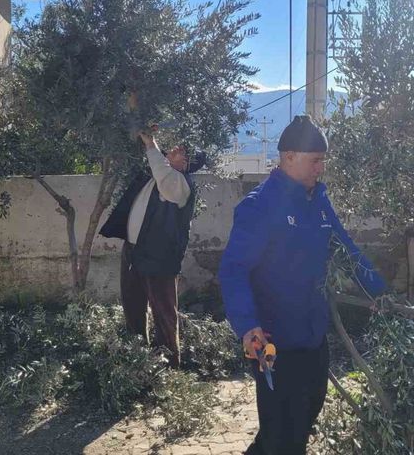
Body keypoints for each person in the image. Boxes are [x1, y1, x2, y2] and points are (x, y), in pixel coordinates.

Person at [219, 114, 387, 454]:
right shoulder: (260, 206)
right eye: (315, 160)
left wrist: (381, 294)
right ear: (289, 157)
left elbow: (346, 249)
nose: (320, 168)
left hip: (312, 336)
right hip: (272, 344)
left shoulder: (318, 201)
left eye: (323, 161)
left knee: (302, 417)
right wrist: (247, 325)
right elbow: (233, 269)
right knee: (285, 437)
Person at [99, 130, 206, 367]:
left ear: (186, 164)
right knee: (132, 303)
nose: (175, 149)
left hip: (159, 257)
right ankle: (136, 355)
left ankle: (168, 366)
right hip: (135, 250)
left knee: (163, 311)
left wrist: (151, 143)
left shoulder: (179, 184)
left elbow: (163, 175)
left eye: (182, 152)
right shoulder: (159, 175)